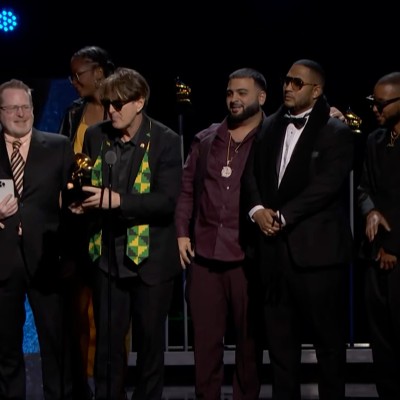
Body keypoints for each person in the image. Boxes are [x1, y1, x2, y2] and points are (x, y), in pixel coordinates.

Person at [241, 59, 354, 400]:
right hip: (274, 259)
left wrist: (283, 215)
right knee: (280, 351)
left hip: (319, 257)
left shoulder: (336, 132)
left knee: (329, 348)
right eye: (286, 80)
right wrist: (257, 210)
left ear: (316, 91)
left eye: (297, 83)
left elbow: (327, 185)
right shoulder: (268, 126)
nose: (287, 87)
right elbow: (250, 174)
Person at [69, 67, 183, 399]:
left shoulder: (165, 140)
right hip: (107, 259)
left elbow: (167, 201)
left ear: (139, 102)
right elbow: (89, 184)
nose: (111, 111)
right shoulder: (96, 136)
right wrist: (82, 203)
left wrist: (119, 201)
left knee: (149, 347)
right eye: (108, 104)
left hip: (151, 262)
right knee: (107, 345)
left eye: (118, 104)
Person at [175, 67, 268, 399]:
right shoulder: (206, 139)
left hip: (248, 258)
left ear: (261, 97)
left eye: (242, 93)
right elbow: (187, 190)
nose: (234, 99)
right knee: (205, 345)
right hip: (204, 257)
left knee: (249, 346)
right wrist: (182, 234)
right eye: (230, 93)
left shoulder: (272, 137)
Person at [0, 79, 75, 399]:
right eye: (13, 108)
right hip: (3, 261)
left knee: (55, 344)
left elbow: (73, 208)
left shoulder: (58, 146)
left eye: (26, 107)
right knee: (5, 346)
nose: (21, 114)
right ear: (0, 111)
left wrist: (69, 256)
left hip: (48, 259)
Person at [59, 45, 116, 399]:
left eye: (77, 74)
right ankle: (79, 387)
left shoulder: (122, 109)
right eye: (70, 75)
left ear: (99, 72)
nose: (73, 81)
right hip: (75, 226)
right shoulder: (72, 113)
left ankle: (111, 385)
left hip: (111, 224)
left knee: (109, 315)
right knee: (75, 313)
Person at [357, 71, 400, 399]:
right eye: (373, 101)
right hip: (375, 255)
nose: (375, 108)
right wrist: (370, 210)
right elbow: (363, 188)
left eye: (381, 103)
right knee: (381, 342)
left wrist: (393, 247)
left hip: (395, 255)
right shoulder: (375, 140)